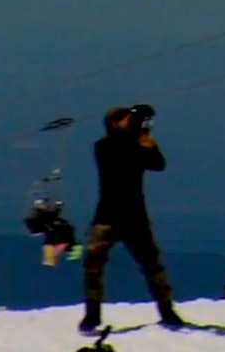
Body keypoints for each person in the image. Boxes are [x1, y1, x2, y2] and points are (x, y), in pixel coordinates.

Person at [79, 104, 185, 332]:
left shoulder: (128, 145)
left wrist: (144, 137)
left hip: (118, 217)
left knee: (150, 266)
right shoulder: (105, 147)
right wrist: (142, 138)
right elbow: (136, 156)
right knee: (95, 267)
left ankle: (166, 310)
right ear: (114, 124)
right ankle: (93, 314)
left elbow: (158, 164)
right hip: (118, 217)